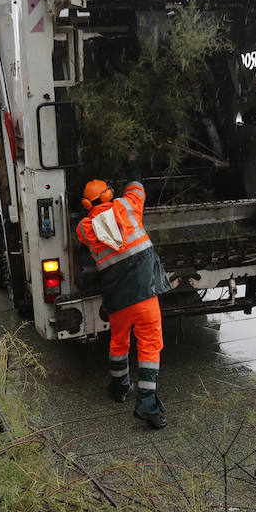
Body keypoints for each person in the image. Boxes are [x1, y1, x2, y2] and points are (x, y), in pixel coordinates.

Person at [76, 175, 171, 429]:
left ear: (86, 203)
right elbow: (138, 190)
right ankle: (147, 403)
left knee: (119, 341)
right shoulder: (126, 206)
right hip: (144, 294)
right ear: (110, 195)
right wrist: (133, 173)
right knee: (150, 343)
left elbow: (91, 232)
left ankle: (119, 388)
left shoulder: (84, 228)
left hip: (116, 298)